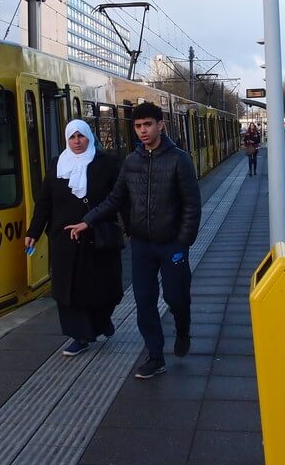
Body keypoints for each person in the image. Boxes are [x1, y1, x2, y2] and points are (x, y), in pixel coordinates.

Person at [66, 102, 200, 379]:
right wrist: (88, 220)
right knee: (144, 300)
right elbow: (115, 199)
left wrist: (183, 242)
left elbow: (192, 204)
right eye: (138, 126)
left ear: (160, 125)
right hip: (141, 245)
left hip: (172, 244)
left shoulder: (179, 159)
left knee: (176, 298)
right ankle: (155, 356)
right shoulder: (131, 161)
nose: (142, 131)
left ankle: (183, 327)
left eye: (148, 125)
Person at [24, 120, 124, 357]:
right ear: (67, 140)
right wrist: (33, 232)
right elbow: (44, 202)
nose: (77, 141)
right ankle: (79, 336)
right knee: (67, 290)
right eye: (72, 137)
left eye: (81, 136)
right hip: (64, 238)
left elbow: (120, 199)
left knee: (104, 287)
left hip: (97, 236)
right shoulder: (57, 164)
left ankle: (101, 321)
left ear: (89, 137)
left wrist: (130, 227)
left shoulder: (107, 164)